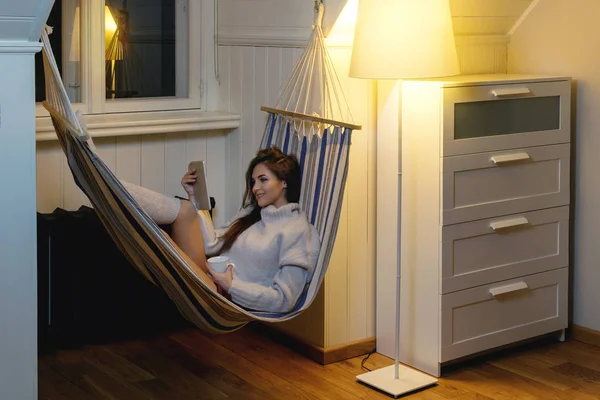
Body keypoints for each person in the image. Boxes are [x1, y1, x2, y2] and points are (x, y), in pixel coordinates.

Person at [123, 146, 320, 313]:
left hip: (221, 295)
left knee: (160, 237)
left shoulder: (297, 230)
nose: (255, 188)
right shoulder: (251, 214)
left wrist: (231, 286)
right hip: (207, 278)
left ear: (284, 182)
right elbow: (211, 245)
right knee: (177, 219)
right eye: (253, 182)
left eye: (263, 180)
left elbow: (284, 300)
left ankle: (112, 184)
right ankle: (107, 182)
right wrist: (194, 196)